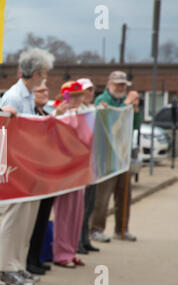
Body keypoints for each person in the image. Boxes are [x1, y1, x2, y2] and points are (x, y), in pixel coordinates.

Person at [0, 48, 55, 285]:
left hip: (29, 166)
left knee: (27, 220)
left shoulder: (29, 96)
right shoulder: (15, 96)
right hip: (17, 167)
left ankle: (18, 265)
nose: (46, 79)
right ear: (37, 72)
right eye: (45, 74)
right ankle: (7, 268)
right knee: (15, 218)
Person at [89, 71, 140, 242]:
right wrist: (126, 104)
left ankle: (122, 229)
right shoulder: (102, 101)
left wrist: (135, 109)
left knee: (124, 195)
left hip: (123, 155)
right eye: (118, 84)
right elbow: (110, 123)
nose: (121, 87)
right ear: (109, 84)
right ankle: (96, 229)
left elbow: (135, 125)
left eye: (123, 85)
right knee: (102, 196)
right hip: (106, 156)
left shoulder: (125, 102)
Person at [51, 81, 88, 268]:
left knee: (77, 211)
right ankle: (61, 253)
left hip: (79, 169)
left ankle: (71, 250)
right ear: (65, 97)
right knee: (64, 212)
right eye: (73, 96)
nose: (77, 99)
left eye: (79, 95)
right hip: (65, 170)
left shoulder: (83, 112)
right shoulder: (60, 113)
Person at [25, 80, 55, 275]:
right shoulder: (30, 116)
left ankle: (37, 257)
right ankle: (29, 260)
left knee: (43, 217)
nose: (45, 92)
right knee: (32, 221)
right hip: (32, 176)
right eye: (40, 90)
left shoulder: (48, 115)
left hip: (47, 175)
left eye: (46, 89)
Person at [76, 78, 100, 254]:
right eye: (85, 91)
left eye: (91, 91)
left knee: (90, 204)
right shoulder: (77, 112)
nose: (89, 94)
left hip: (93, 163)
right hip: (81, 166)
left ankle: (85, 238)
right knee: (81, 206)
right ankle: (77, 241)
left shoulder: (93, 110)